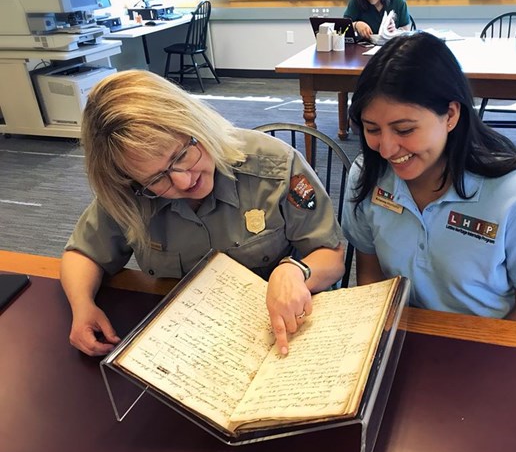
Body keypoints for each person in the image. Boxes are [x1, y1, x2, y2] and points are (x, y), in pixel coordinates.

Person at [62, 70, 345, 357]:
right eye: (157, 179)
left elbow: (332, 256)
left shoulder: (274, 165)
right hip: (188, 341)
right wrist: (82, 304)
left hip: (280, 332)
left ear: (197, 125)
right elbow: (84, 252)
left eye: (181, 156)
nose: (184, 182)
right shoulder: (130, 192)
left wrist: (297, 270)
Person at [342, 32, 516, 325]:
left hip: (488, 349)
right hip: (401, 338)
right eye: (372, 129)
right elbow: (372, 280)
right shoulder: (368, 175)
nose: (386, 149)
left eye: (404, 130)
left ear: (450, 114)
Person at [343, 0, 411, 40]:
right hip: (363, 48)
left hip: (391, 49)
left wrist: (395, 31)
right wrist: (356, 25)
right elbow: (343, 26)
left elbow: (406, 31)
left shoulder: (398, 1)